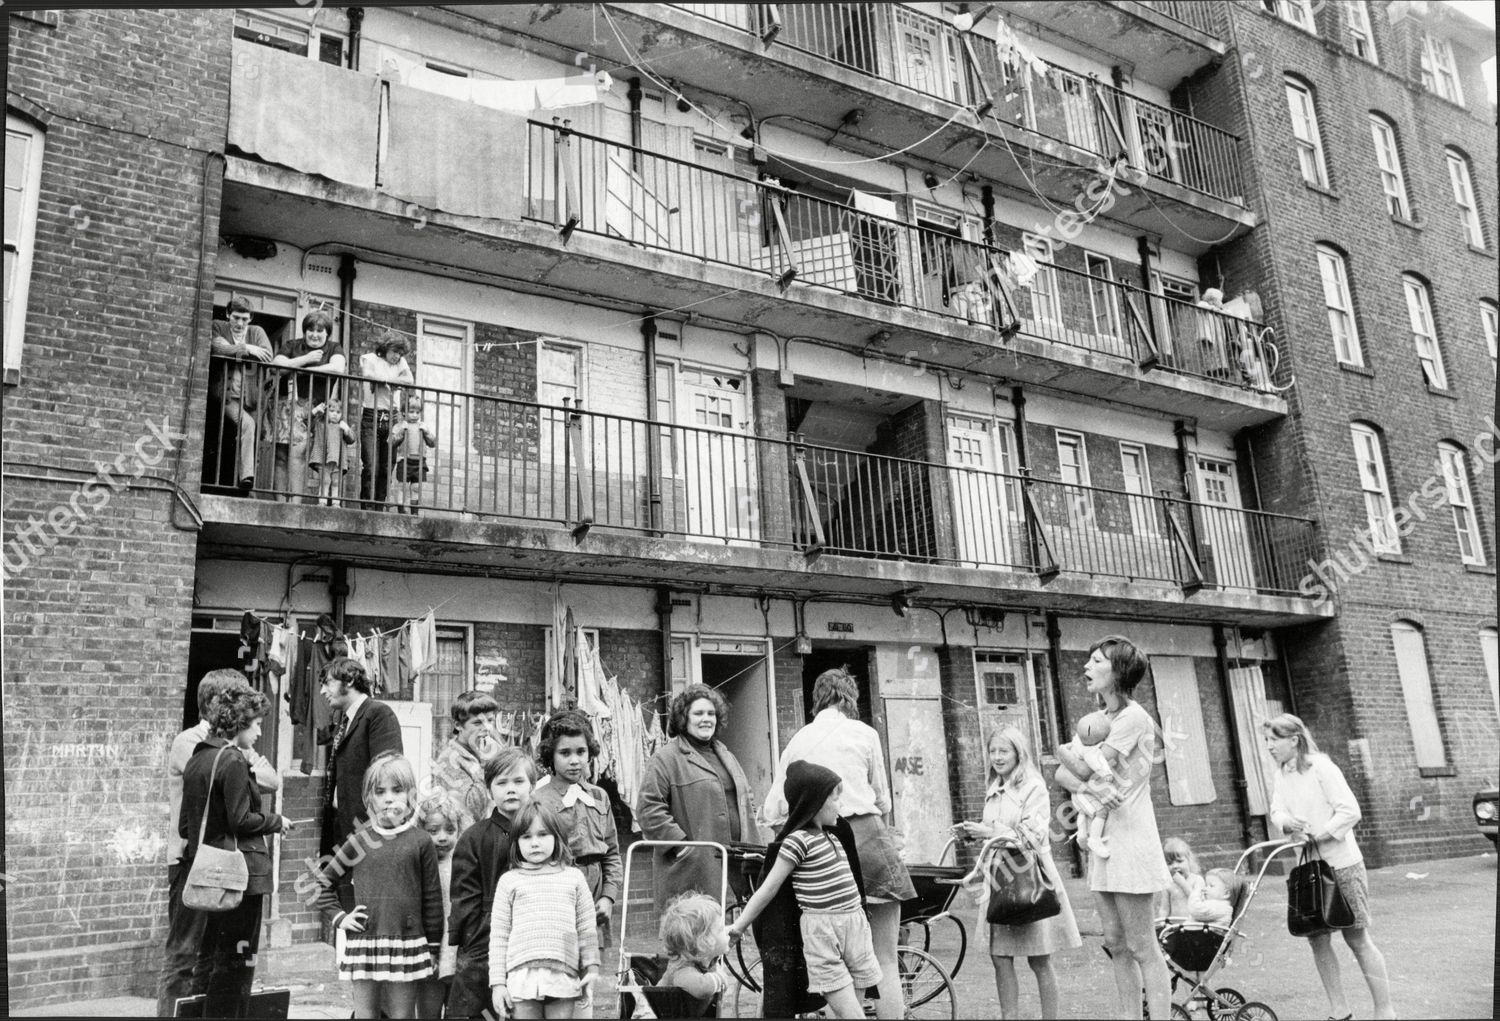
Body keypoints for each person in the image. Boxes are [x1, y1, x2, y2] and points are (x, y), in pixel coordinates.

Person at [760, 667, 913, 1019]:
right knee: (885, 958)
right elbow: (883, 799)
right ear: (851, 699)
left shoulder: (799, 739)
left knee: (833, 962)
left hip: (821, 850)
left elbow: (773, 809)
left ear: (817, 700)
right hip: (869, 840)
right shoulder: (865, 732)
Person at [1053, 635, 1173, 1020]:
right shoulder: (1096, 721)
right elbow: (1062, 774)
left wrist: (1066, 757)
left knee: (1142, 945)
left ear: (1118, 672)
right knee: (1115, 943)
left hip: (1131, 841)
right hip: (1102, 841)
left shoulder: (1133, 718)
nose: (1087, 667)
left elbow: (1082, 768)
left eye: (1097, 661)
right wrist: (1072, 767)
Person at [157, 671, 280, 1017]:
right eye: (235, 700)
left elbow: (274, 780)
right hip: (189, 860)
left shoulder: (232, 747)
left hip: (223, 864)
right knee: (184, 954)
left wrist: (244, 762)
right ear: (219, 705)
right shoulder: (193, 743)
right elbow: (236, 780)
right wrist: (243, 763)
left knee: (213, 956)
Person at [1264, 713, 1395, 1021]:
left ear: (1293, 740)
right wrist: (1288, 823)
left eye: (1274, 740)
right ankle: (1339, 1010)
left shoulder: (1322, 767)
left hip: (1342, 864)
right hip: (1308, 868)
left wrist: (1320, 834)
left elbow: (1350, 810)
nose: (1269, 747)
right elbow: (1276, 810)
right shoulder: (1282, 773)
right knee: (1317, 938)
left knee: (1356, 938)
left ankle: (1385, 1010)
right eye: (1267, 740)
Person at [728, 761, 880, 1020]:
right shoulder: (797, 841)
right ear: (815, 802)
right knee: (852, 1011)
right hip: (823, 931)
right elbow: (768, 888)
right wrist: (738, 926)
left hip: (855, 926)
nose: (840, 806)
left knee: (859, 991)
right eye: (834, 799)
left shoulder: (833, 835)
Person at [952, 724, 1081, 1020]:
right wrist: (975, 834)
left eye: (1003, 750)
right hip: (1001, 879)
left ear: (1018, 753)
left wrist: (988, 831)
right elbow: (999, 831)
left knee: (1040, 958)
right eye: (993, 751)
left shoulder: (1033, 786)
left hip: (1029, 876)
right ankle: (1009, 1017)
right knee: (1000, 957)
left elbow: (1030, 837)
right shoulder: (995, 786)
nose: (997, 757)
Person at [317, 752, 443, 1019]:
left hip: (407, 943)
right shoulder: (359, 840)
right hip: (364, 942)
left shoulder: (421, 842)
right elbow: (323, 884)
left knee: (402, 1014)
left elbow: (432, 899)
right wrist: (340, 918)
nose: (388, 798)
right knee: (366, 1014)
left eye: (397, 791)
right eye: (380, 791)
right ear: (368, 799)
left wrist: (432, 947)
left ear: (410, 797)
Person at [636, 684, 760, 914]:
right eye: (698, 713)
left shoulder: (726, 754)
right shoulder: (666, 759)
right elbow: (648, 809)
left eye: (711, 713)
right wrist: (682, 846)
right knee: (695, 935)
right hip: (695, 866)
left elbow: (746, 795)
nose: (706, 719)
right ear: (684, 718)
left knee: (724, 934)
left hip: (735, 862)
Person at [448, 748, 538, 1019]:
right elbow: (464, 896)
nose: (511, 789)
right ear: (489, 790)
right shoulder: (474, 837)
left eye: (518, 781)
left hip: (532, 932)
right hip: (483, 938)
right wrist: (468, 938)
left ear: (532, 786)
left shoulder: (543, 835)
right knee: (476, 1007)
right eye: (502, 783)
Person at [489, 802, 601, 1020]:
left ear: (557, 837)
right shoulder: (509, 881)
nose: (535, 843)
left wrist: (592, 968)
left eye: (542, 834)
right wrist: (498, 984)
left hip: (564, 973)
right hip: (521, 976)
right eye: (526, 837)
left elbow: (586, 928)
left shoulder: (574, 878)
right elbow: (499, 936)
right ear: (516, 842)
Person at [532, 711, 622, 942]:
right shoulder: (539, 800)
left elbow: (611, 852)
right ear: (550, 756)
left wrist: (608, 897)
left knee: (591, 965)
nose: (574, 760)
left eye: (581, 752)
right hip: (557, 895)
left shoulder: (599, 796)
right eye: (565, 753)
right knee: (562, 962)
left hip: (595, 895)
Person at [321, 657, 404, 857]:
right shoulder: (344, 719)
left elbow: (388, 775)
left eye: (328, 683)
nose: (323, 691)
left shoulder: (378, 714)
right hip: (342, 828)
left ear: (349, 680)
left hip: (367, 834)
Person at [270, 309, 347, 502]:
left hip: (313, 408)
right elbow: (276, 364)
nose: (314, 334)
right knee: (280, 456)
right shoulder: (292, 345)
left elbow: (337, 367)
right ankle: (280, 502)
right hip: (286, 405)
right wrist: (305, 359)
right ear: (304, 332)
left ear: (327, 333)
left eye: (320, 331)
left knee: (298, 453)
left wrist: (300, 369)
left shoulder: (334, 348)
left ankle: (294, 504)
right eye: (310, 330)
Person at [416, 790, 472, 1020]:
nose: (442, 837)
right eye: (433, 831)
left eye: (450, 830)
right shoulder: (419, 863)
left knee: (457, 1010)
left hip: (456, 948)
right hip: (429, 946)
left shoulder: (465, 860)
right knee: (428, 1009)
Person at [207, 298, 273, 490]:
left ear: (250, 318)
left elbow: (267, 354)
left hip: (250, 399)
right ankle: (246, 479)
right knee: (247, 425)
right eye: (236, 317)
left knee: (252, 438)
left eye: (244, 319)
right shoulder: (218, 326)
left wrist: (234, 351)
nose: (240, 323)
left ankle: (244, 488)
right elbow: (217, 348)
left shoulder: (256, 332)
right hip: (226, 397)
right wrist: (248, 349)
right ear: (228, 314)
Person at [427, 690, 502, 826]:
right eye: (477, 723)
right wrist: (485, 766)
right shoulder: (449, 760)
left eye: (490, 720)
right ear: (458, 725)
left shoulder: (488, 751)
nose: (486, 728)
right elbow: (472, 811)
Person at [360, 332, 415, 510]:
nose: (397, 356)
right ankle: (367, 507)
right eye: (394, 351)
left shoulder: (401, 363)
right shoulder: (370, 358)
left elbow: (409, 379)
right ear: (385, 348)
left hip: (392, 417)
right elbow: (368, 375)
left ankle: (379, 507)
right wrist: (391, 381)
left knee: (386, 467)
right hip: (371, 415)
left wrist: (386, 380)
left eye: (400, 353)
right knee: (370, 465)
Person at [657, 893, 730, 1016]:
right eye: (721, 929)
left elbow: (713, 953)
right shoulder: (682, 971)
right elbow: (704, 988)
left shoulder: (703, 959)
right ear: (704, 943)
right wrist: (721, 977)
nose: (727, 930)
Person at [1057, 709, 1115, 858]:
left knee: (1083, 812)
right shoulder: (1092, 750)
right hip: (1085, 792)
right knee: (1100, 812)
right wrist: (1107, 774)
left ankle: (1082, 835)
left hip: (1076, 793)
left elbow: (1065, 753)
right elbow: (1095, 764)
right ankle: (1094, 839)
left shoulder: (1077, 741)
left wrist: (1064, 751)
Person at [390, 391, 436, 514]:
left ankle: (414, 511)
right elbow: (391, 443)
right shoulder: (399, 426)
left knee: (415, 488)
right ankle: (401, 510)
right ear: (404, 412)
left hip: (419, 461)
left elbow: (433, 443)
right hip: (404, 460)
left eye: (417, 412)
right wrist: (401, 431)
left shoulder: (422, 425)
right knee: (402, 486)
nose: (414, 415)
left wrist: (426, 432)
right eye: (411, 412)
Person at [310, 400, 356, 506]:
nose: (335, 414)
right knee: (325, 480)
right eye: (332, 411)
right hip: (323, 458)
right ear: (326, 412)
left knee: (336, 482)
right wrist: (316, 411)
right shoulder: (320, 424)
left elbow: (352, 439)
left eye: (338, 412)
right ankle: (322, 501)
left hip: (338, 460)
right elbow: (307, 422)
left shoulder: (342, 426)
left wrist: (347, 430)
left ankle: (336, 502)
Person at [1158, 837, 1204, 923]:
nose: (1175, 866)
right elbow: (1164, 909)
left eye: (1179, 861)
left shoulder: (1197, 880)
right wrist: (1162, 923)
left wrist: (1182, 883)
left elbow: (1198, 902)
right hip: (1175, 927)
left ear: (1189, 861)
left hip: (1194, 925)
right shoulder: (1168, 884)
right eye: (1169, 863)